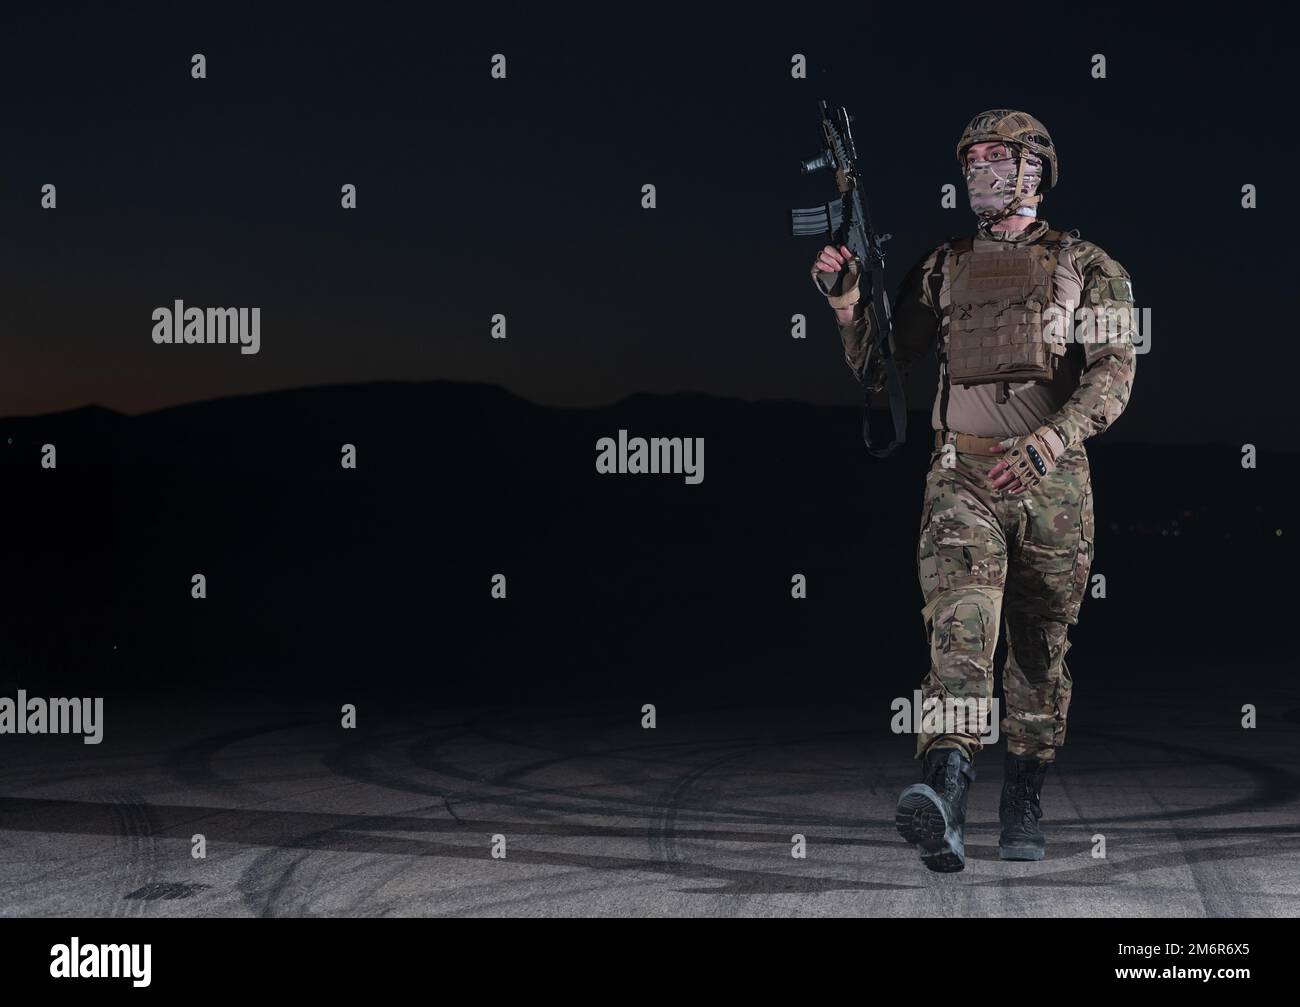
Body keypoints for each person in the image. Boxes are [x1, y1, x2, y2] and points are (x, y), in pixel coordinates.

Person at [811, 110, 1137, 872]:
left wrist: (1051, 438)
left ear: (1034, 170)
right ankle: (945, 790)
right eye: (973, 158)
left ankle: (1023, 794)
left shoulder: (1092, 264)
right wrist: (846, 302)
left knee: (1038, 654)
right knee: (960, 633)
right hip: (962, 477)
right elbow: (881, 366)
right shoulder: (942, 265)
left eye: (996, 155)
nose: (979, 168)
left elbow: (1116, 373)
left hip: (1053, 483)